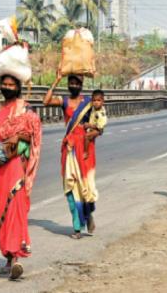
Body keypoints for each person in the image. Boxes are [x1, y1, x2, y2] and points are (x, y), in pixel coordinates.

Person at [0, 74, 41, 279]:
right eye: (4, 84)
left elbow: (30, 134)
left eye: (11, 85)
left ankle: (15, 259)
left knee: (15, 208)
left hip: (15, 165)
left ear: (18, 87)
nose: (7, 87)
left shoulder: (26, 109)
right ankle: (7, 255)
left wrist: (18, 136)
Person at [43, 73, 98, 239]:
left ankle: (88, 215)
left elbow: (100, 124)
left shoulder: (88, 102)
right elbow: (45, 101)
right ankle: (77, 226)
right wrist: (57, 80)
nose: (73, 85)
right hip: (69, 148)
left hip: (86, 147)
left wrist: (93, 133)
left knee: (85, 186)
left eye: (77, 83)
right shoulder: (64, 101)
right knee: (70, 186)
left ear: (81, 84)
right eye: (71, 83)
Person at [84, 89, 107, 160]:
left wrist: (90, 125)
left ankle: (85, 152)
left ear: (103, 101)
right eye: (94, 100)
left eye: (98, 100)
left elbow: (100, 126)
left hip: (98, 129)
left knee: (87, 136)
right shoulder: (94, 108)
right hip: (93, 125)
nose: (96, 102)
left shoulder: (101, 114)